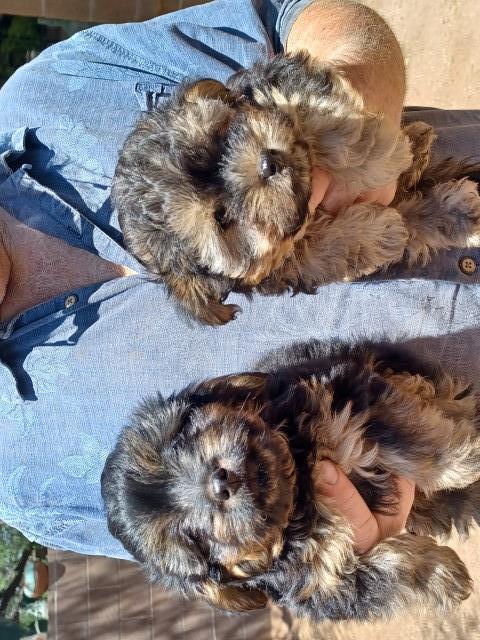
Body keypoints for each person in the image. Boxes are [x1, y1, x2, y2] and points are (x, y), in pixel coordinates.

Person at [0, 0, 478, 563]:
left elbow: (296, 15)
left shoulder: (49, 93)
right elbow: (250, 563)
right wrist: (349, 547)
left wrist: (350, 103)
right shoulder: (30, 484)